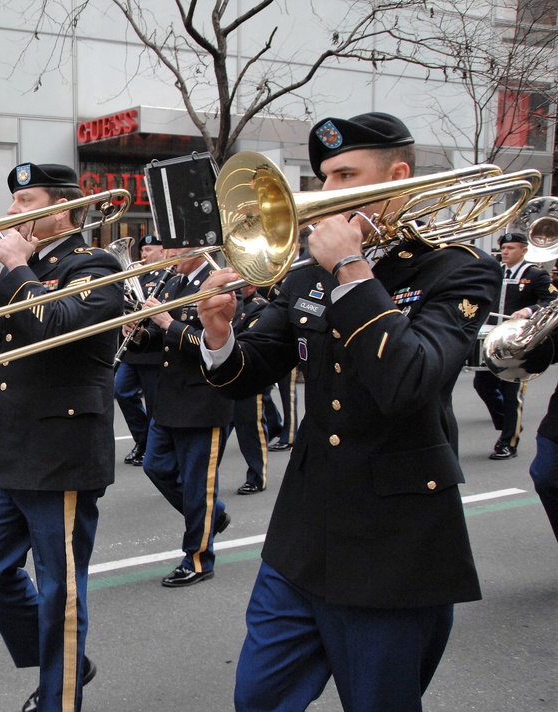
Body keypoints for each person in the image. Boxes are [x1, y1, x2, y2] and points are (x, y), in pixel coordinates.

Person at [196, 112, 499, 711]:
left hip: (394, 544)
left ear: (398, 176)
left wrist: (353, 269)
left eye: (345, 175)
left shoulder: (457, 268)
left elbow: (409, 380)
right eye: (324, 178)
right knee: (257, 699)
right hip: (303, 533)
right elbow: (249, 375)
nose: (328, 194)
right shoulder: (306, 271)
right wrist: (217, 334)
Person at [0, 162, 122, 712]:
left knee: (60, 591)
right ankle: (65, 663)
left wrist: (17, 268)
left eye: (25, 202)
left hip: (64, 450)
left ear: (63, 211)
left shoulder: (94, 264)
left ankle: (60, 697)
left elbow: (55, 326)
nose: (10, 214)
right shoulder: (15, 270)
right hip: (17, 445)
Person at [126, 246, 233, 586]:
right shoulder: (172, 283)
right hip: (170, 397)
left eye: (177, 247)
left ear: (198, 247)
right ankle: (211, 516)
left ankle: (198, 559)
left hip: (204, 400)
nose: (170, 253)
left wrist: (167, 323)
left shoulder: (216, 282)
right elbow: (159, 343)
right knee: (155, 465)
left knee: (197, 485)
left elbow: (214, 343)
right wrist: (138, 332)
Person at [471, 232, 556, 460]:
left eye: (510, 248)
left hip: (519, 343)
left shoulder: (535, 275)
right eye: (504, 248)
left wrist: (528, 311)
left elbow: (550, 301)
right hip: (493, 340)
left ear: (523, 250)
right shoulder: (495, 272)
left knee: (512, 394)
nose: (505, 252)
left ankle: (509, 441)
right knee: (483, 385)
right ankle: (507, 422)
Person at [115, 233, 167, 466]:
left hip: (153, 350)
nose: (143, 255)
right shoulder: (137, 276)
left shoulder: (167, 276)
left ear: (162, 251)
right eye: (142, 251)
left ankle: (154, 448)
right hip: (133, 349)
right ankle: (142, 439)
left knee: (155, 402)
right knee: (121, 391)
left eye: (149, 250)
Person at [227, 283, 276, 495]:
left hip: (250, 378)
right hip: (226, 377)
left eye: (242, 284)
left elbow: (249, 340)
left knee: (250, 430)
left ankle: (257, 476)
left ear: (253, 285)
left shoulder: (260, 306)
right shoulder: (228, 303)